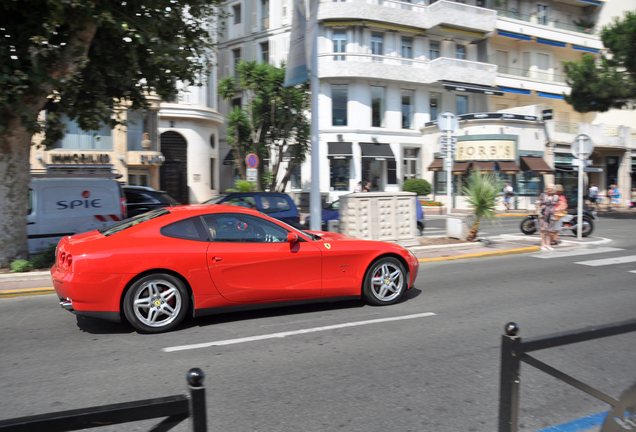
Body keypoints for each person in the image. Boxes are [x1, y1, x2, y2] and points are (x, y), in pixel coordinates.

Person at [537, 184, 560, 251]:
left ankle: (548, 244)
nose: (550, 189)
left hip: (551, 214)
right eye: (549, 188)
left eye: (551, 188)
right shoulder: (543, 195)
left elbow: (562, 204)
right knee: (543, 230)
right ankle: (543, 244)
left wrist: (558, 209)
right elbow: (539, 203)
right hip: (543, 213)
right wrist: (537, 211)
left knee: (549, 230)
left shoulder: (556, 196)